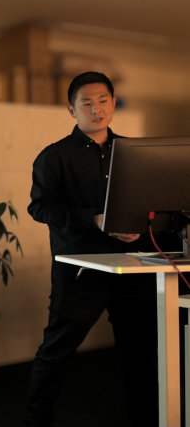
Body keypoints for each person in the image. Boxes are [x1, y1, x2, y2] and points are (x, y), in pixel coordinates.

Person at [24, 71, 180, 426]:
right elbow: (40, 208)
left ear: (113, 103)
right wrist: (93, 219)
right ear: (72, 110)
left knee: (140, 352)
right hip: (82, 271)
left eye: (103, 101)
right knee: (57, 350)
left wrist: (141, 227)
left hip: (133, 269)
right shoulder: (54, 156)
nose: (96, 109)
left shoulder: (135, 153)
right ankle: (36, 419)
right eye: (87, 103)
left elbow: (153, 204)